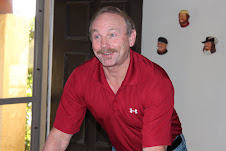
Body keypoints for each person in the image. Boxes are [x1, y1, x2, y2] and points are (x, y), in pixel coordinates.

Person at [43, 6, 187, 151]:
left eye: (112, 35)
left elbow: (153, 149)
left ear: (131, 38)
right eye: (97, 36)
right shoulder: (80, 78)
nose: (104, 45)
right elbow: (59, 137)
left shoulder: (155, 81)